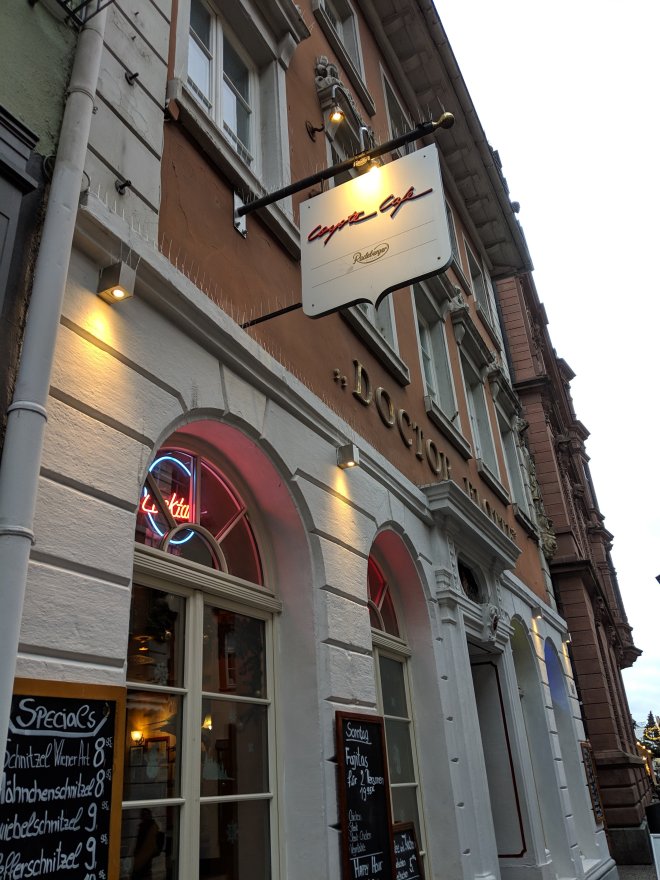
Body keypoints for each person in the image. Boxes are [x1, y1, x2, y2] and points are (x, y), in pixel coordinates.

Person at [132, 808, 161, 879]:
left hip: (144, 858)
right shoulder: (143, 826)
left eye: (144, 814)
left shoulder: (151, 827)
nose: (142, 816)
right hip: (142, 857)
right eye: (142, 814)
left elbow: (151, 846)